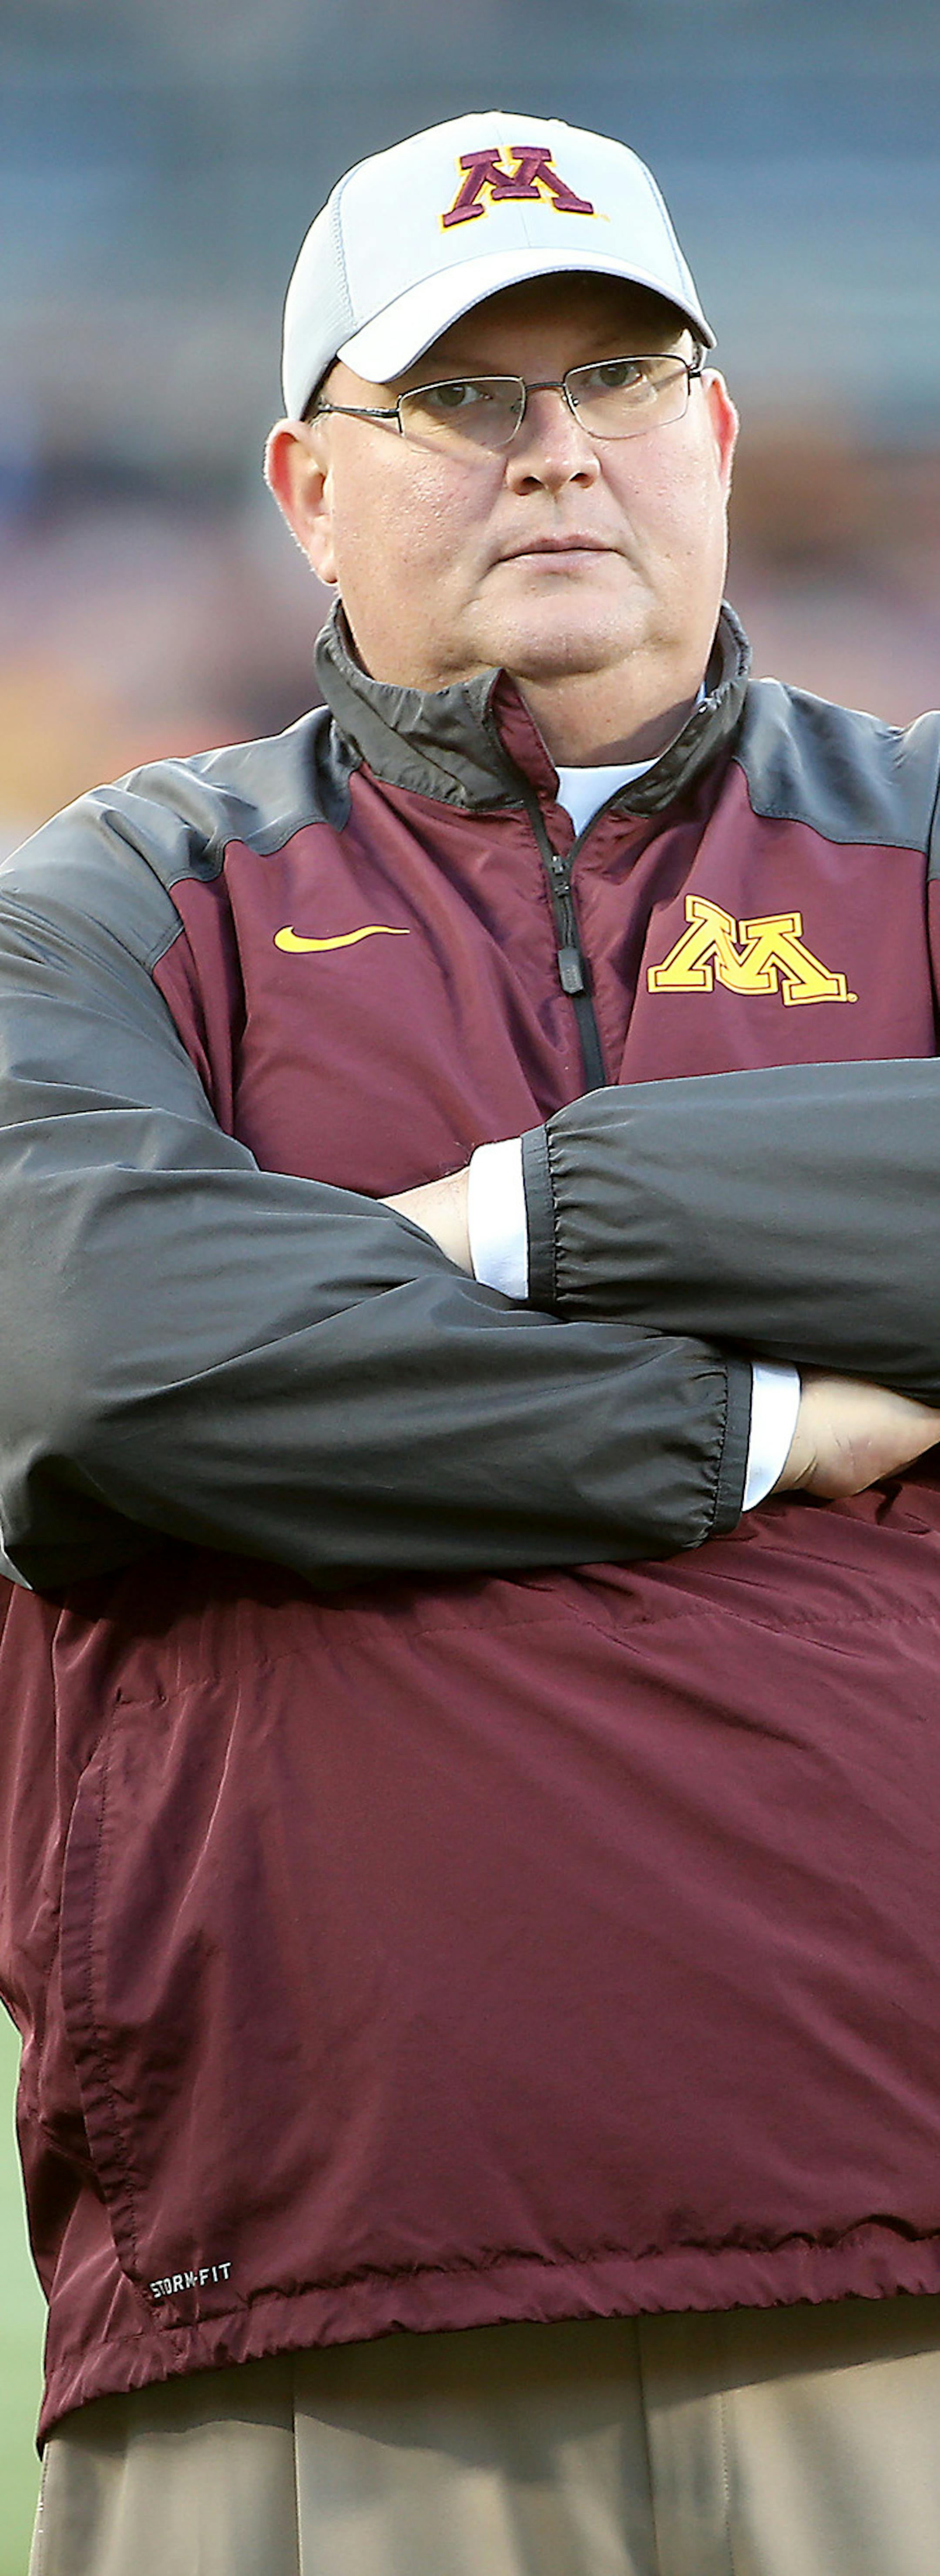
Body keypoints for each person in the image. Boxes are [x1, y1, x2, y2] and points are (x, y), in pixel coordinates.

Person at [7, 106, 940, 2576]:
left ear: (718, 437)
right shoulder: (109, 905)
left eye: (617, 373)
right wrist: (755, 1417)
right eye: (459, 396)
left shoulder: (931, 838)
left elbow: (246, 1349)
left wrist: (530, 1215)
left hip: (909, 2256)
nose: (555, 449)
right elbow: (112, 1369)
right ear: (310, 489)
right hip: (304, 2271)